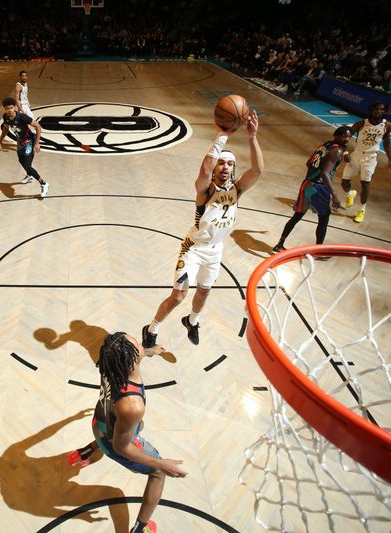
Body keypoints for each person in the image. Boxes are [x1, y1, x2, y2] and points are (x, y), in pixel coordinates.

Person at [142, 111, 263, 348]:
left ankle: (192, 320)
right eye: (222, 162)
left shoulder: (237, 190)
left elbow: (257, 170)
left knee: (204, 292)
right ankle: (152, 328)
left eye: (230, 164)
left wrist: (253, 138)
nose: (225, 167)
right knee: (178, 296)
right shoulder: (205, 190)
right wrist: (222, 137)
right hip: (194, 248)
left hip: (215, 250)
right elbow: (205, 172)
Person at [92, 332, 187, 533]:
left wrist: (152, 351)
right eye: (136, 343)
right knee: (158, 474)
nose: (138, 340)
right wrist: (161, 463)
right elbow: (121, 446)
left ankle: (87, 451)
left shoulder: (111, 362)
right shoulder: (132, 405)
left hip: (98, 423)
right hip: (112, 443)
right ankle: (139, 529)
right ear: (131, 359)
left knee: (138, 425)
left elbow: (137, 353)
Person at [272, 126, 352, 253]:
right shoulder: (337, 152)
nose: (347, 139)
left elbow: (308, 163)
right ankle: (318, 251)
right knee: (324, 218)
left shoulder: (325, 145)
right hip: (318, 188)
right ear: (336, 136)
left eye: (349, 137)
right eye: (344, 136)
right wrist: (334, 194)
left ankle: (279, 244)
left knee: (297, 216)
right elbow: (325, 174)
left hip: (307, 184)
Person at [340, 102, 391, 223]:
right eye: (375, 109)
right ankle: (350, 194)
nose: (378, 111)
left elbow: (386, 142)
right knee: (344, 182)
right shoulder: (361, 123)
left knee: (365, 184)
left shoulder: (388, 125)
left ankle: (362, 210)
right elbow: (345, 138)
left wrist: (390, 159)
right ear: (371, 110)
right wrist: (345, 153)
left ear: (385, 112)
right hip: (357, 154)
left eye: (381, 109)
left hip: (371, 157)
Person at [0, 96, 49, 198]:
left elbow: (38, 126)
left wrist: (37, 143)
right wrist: (0, 141)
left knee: (28, 165)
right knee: (22, 161)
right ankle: (29, 175)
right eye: (7, 108)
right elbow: (5, 129)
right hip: (20, 142)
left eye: (11, 108)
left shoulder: (22, 117)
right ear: (5, 109)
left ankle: (43, 183)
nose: (10, 110)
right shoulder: (5, 117)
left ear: (15, 107)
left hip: (29, 142)